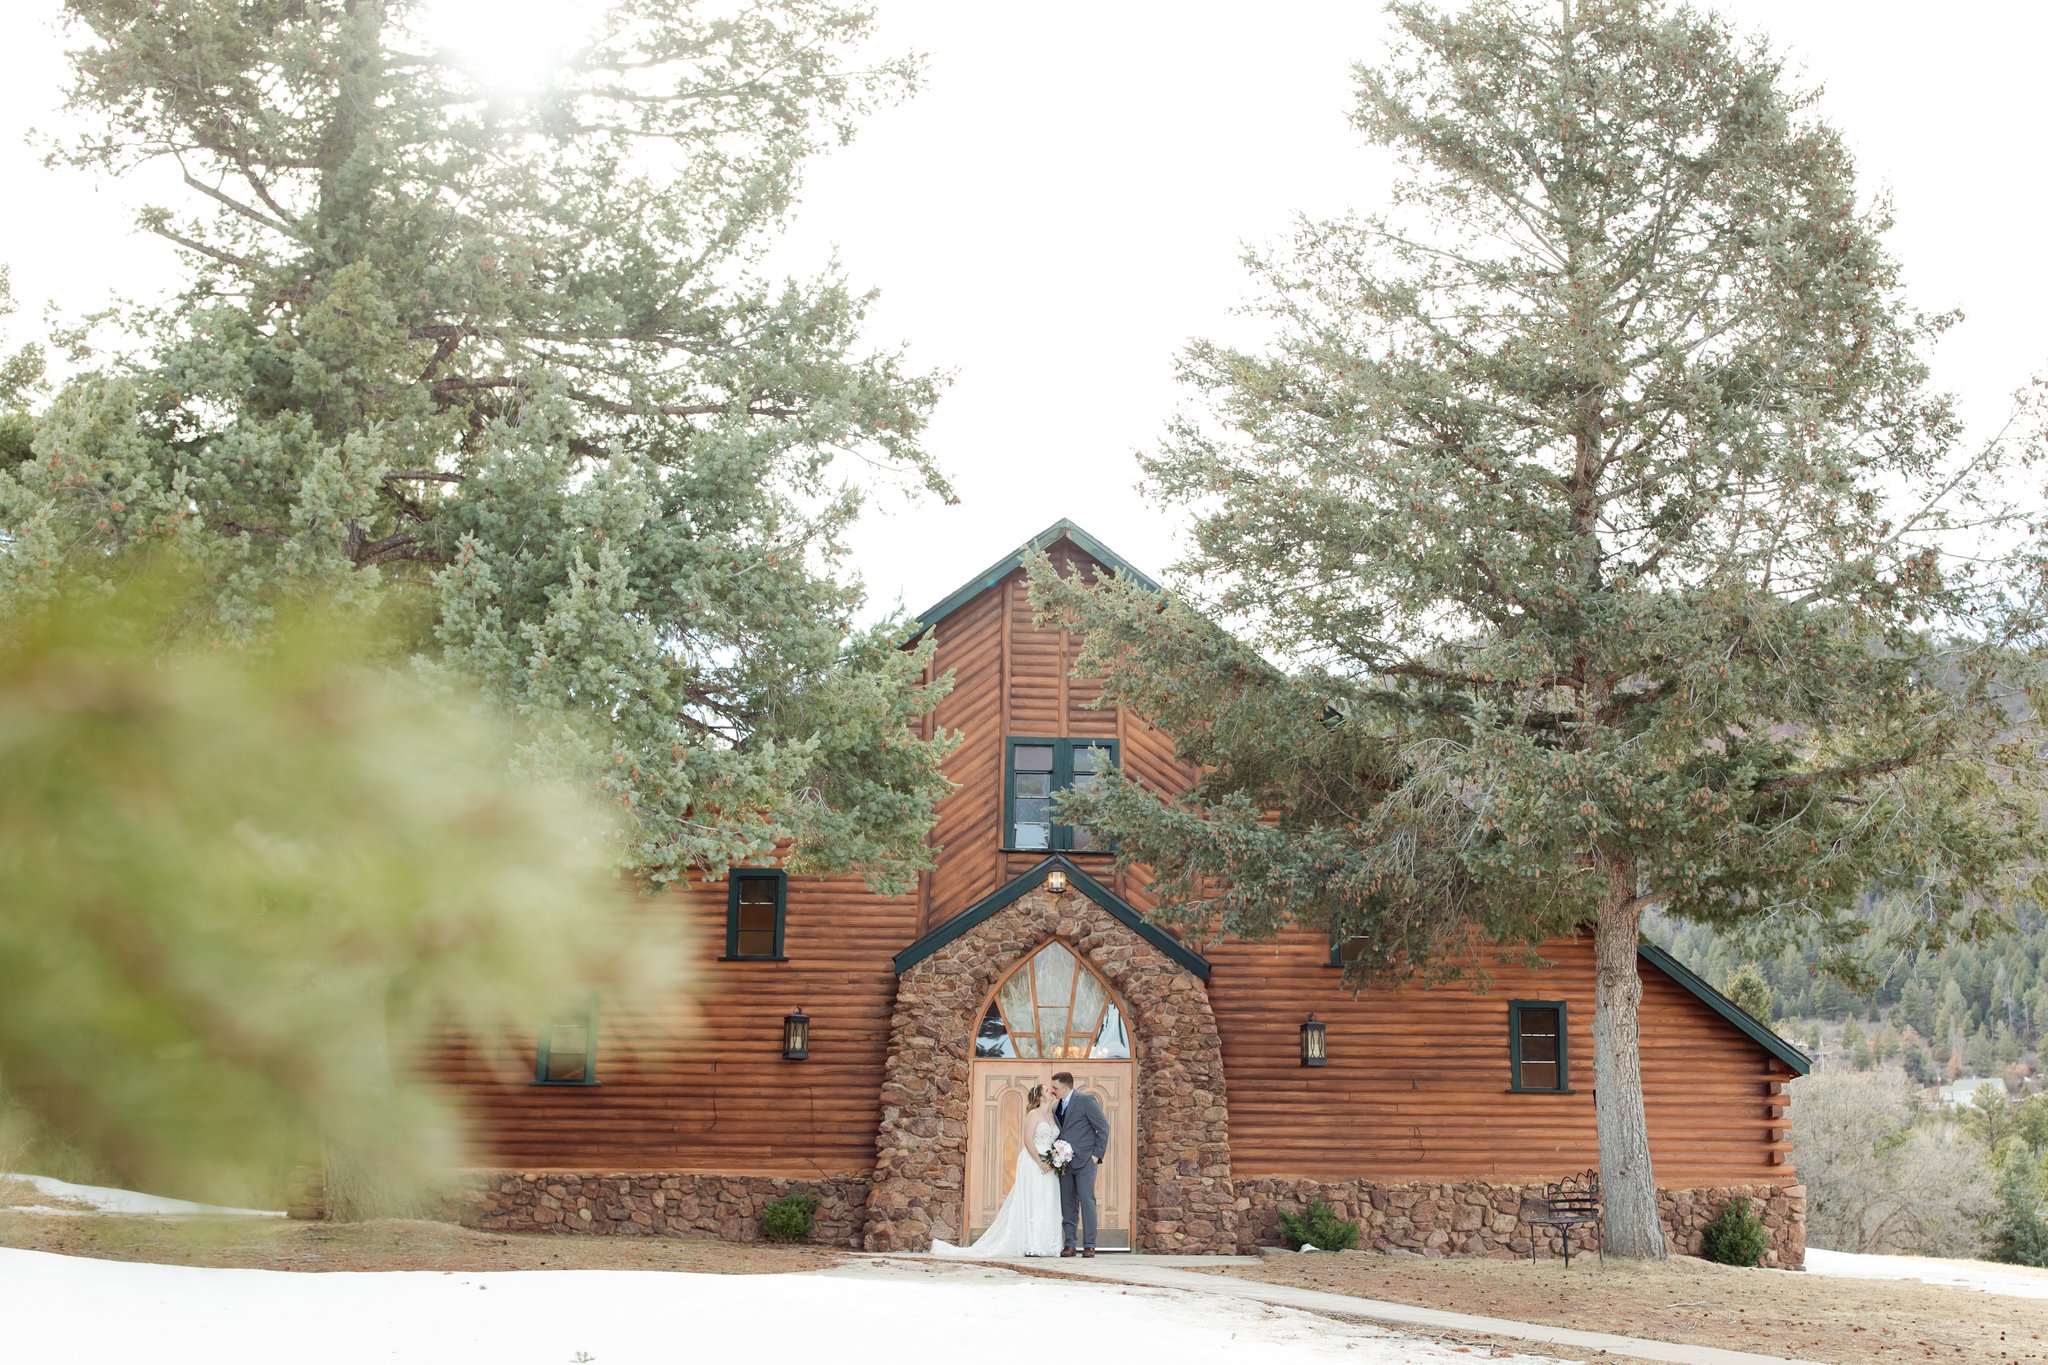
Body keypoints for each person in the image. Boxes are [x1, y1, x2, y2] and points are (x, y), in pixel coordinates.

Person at [930, 1083, 1063, 1257]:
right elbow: (1028, 1140)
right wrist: (1040, 1162)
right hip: (1034, 1162)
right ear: (1040, 1097)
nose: (1051, 1092)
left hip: (1050, 1164)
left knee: (1047, 1200)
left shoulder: (1052, 1116)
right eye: (1047, 1090)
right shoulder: (1033, 1114)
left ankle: (1046, 1244)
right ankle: (1030, 1244)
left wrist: (1056, 1158)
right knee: (1032, 1199)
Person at [1048, 1070, 1108, 1257]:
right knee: (1067, 1204)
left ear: (1066, 1088)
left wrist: (1096, 1155)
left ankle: (1089, 1245)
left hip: (1085, 1161)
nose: (1052, 1090)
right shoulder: (1056, 1105)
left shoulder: (1086, 1100)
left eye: (1055, 1087)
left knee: (1087, 1201)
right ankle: (1070, 1244)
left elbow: (1103, 1127)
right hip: (1063, 1162)